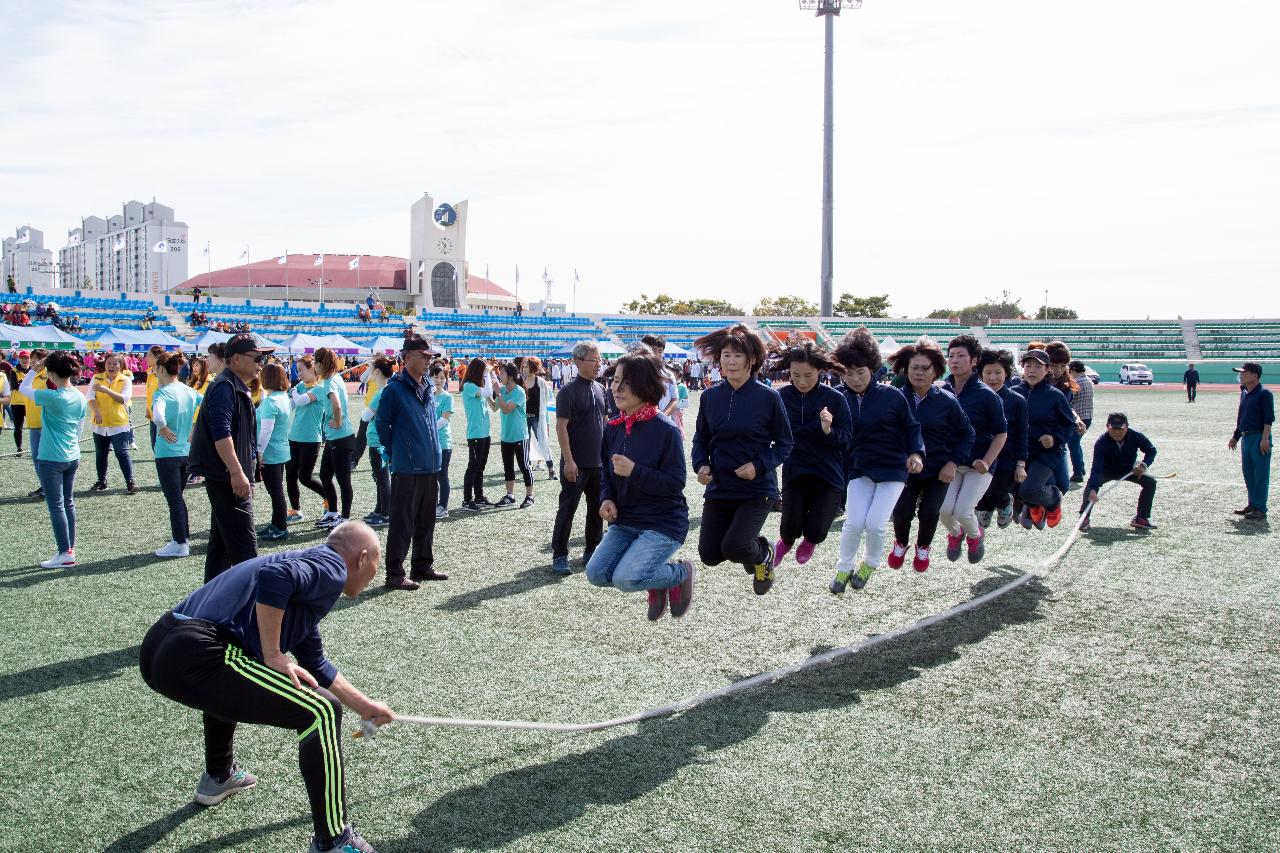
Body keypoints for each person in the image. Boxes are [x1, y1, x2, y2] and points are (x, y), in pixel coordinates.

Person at [139, 522, 389, 853]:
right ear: (361, 557)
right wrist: (273, 653)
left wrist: (366, 706)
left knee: (238, 669)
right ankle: (334, 840)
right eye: (377, 562)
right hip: (197, 650)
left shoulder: (307, 591)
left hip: (161, 646)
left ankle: (219, 775)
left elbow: (317, 665)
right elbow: (276, 578)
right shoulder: (330, 566)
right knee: (323, 710)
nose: (376, 570)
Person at [588, 349, 695, 620]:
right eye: (615, 380)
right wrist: (606, 499)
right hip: (626, 520)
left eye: (626, 381)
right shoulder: (613, 428)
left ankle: (680, 573)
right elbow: (606, 476)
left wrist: (635, 471)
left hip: (663, 523)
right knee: (596, 574)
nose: (617, 387)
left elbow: (674, 483)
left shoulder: (666, 430)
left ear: (645, 385)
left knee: (626, 579)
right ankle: (655, 581)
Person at [690, 324, 794, 595]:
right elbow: (700, 439)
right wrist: (700, 464)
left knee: (735, 547)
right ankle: (755, 546)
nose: (731, 361)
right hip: (720, 487)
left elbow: (785, 443)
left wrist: (759, 466)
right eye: (726, 355)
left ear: (752, 359)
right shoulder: (710, 397)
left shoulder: (769, 397)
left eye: (738, 355)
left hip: (756, 488)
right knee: (710, 554)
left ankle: (762, 555)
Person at [829, 328, 924, 594]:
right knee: (853, 522)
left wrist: (916, 454)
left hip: (893, 470)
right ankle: (843, 568)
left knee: (874, 523)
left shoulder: (892, 396)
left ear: (873, 368)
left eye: (861, 372)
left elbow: (912, 427)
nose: (855, 379)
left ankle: (870, 563)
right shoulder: (837, 398)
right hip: (859, 469)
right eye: (848, 373)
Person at [887, 339, 974, 573]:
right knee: (902, 511)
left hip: (938, 469)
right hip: (903, 469)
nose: (919, 373)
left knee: (929, 512)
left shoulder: (947, 400)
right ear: (906, 369)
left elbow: (967, 434)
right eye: (914, 367)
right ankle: (901, 544)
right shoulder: (894, 397)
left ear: (936, 370)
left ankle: (923, 547)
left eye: (925, 368)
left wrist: (953, 463)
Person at [190, 333, 271, 582]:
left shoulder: (233, 386)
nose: (262, 362)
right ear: (235, 359)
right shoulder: (225, 387)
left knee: (221, 546)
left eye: (264, 357)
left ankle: (209, 606)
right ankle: (250, 613)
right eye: (257, 357)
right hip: (227, 479)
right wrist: (237, 473)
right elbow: (221, 434)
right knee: (245, 550)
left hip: (228, 477)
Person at [375, 335, 446, 590]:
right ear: (407, 358)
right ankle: (394, 573)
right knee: (402, 522)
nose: (429, 361)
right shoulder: (394, 389)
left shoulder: (426, 383)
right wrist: (396, 452)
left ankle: (422, 565)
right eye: (423, 356)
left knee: (426, 519)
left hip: (430, 464)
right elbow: (382, 424)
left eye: (430, 357)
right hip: (407, 466)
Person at [774, 341, 851, 568]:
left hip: (828, 475)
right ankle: (785, 543)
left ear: (820, 370)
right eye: (796, 375)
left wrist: (828, 431)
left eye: (808, 375)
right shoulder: (781, 397)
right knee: (789, 528)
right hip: (796, 472)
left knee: (816, 530)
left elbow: (846, 439)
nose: (802, 381)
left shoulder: (835, 399)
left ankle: (810, 542)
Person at [939, 335, 1008, 562]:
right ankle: (956, 534)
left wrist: (987, 461)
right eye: (951, 356)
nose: (954, 361)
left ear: (974, 360)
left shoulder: (987, 395)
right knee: (944, 510)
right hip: (951, 464)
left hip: (979, 466)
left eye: (961, 356)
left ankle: (976, 536)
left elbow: (1001, 433)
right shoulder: (942, 391)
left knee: (962, 511)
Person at [21, 351, 88, 568]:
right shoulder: (79, 395)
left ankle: (64, 551)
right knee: (67, 502)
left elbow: (23, 389)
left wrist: (34, 368)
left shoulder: (52, 396)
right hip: (72, 455)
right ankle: (69, 547)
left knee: (56, 505)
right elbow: (80, 426)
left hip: (52, 457)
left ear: (50, 373)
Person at [551, 342, 609, 575]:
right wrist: (569, 460)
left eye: (599, 360)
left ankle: (592, 551)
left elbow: (605, 423)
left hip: (598, 463)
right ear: (578, 362)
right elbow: (561, 427)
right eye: (593, 360)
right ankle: (560, 554)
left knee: (596, 510)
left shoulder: (600, 388)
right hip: (576, 464)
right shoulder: (567, 392)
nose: (598, 364)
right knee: (567, 510)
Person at [1013, 349, 1077, 530]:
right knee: (1013, 488)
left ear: (1047, 369)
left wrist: (1054, 438)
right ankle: (1032, 505)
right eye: (1028, 365)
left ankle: (1053, 499)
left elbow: (1069, 425)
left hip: (1044, 453)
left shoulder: (1054, 395)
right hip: (1018, 452)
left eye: (1038, 366)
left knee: (1029, 489)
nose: (1032, 370)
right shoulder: (1013, 392)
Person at [151, 352, 200, 558]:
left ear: (161, 369)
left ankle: (180, 543)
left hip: (167, 453)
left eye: (155, 368)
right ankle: (182, 538)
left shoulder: (161, 393)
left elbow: (158, 415)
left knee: (174, 500)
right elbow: (207, 405)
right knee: (178, 498)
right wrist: (195, 428)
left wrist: (161, 426)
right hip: (185, 453)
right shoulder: (189, 391)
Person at [974, 349, 1028, 529]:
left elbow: (1022, 433)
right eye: (987, 373)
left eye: (998, 372)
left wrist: (1021, 463)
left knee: (995, 494)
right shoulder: (975, 398)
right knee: (979, 499)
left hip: (1006, 459)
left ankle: (1005, 502)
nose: (992, 378)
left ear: (1006, 373)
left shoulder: (1017, 400)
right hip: (979, 457)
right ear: (980, 374)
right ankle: (985, 508)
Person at [1079, 413, 1158, 531]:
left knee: (1150, 483)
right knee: (1091, 486)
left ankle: (1141, 518)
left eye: (1120, 429)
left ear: (1126, 427)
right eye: (1113, 428)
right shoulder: (1101, 442)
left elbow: (1151, 450)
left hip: (1129, 470)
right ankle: (1084, 517)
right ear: (1107, 427)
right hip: (1107, 471)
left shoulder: (1135, 436)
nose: (1116, 432)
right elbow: (1096, 468)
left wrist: (1143, 465)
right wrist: (1094, 489)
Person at [310, 348, 357, 530]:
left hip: (341, 437)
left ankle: (344, 518)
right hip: (335, 438)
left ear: (321, 364)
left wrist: (337, 422)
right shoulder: (334, 378)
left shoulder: (330, 382)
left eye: (316, 362)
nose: (314, 366)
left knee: (343, 479)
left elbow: (336, 406)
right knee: (325, 475)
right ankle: (333, 512)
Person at [1229, 361, 1273, 521]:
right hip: (1246, 437)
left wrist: (1265, 438)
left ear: (1255, 375)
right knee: (1249, 473)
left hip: (1259, 437)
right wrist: (1236, 436)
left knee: (1260, 474)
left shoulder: (1264, 393)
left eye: (1244, 372)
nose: (1241, 375)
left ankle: (1260, 508)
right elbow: (1242, 417)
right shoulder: (1244, 393)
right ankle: (1252, 504)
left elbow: (1269, 418)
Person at [87, 354, 137, 494]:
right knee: (101, 454)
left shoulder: (125, 379)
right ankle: (102, 481)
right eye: (109, 363)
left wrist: (105, 390)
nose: (111, 366)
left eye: (115, 364)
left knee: (122, 453)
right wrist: (96, 411)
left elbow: (124, 399)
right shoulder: (96, 378)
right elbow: (90, 397)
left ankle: (130, 482)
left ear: (120, 366)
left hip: (119, 423)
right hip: (100, 424)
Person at [256, 363, 295, 543]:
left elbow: (266, 430)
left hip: (271, 451)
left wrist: (259, 452)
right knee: (276, 490)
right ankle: (275, 523)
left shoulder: (272, 401)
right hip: (280, 449)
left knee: (276, 492)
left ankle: (280, 527)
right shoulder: (282, 397)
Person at [287, 355, 328, 525]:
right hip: (293, 437)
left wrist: (294, 392)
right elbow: (291, 406)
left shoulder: (320, 388)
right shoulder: (300, 387)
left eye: (302, 370)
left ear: (313, 369)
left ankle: (329, 499)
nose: (299, 373)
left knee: (305, 477)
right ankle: (295, 510)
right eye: (298, 370)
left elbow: (301, 401)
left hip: (311, 439)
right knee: (290, 476)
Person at [459, 358, 498, 511]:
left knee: (480, 467)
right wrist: (488, 375)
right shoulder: (469, 386)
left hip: (484, 433)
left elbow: (494, 405)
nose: (485, 373)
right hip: (475, 434)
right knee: (473, 467)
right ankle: (467, 500)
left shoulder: (478, 387)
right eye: (483, 371)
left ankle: (479, 497)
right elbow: (488, 391)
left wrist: (499, 390)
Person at [359, 358, 394, 528]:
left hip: (378, 440)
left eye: (371, 369)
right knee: (380, 476)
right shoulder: (386, 390)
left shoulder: (382, 392)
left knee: (382, 476)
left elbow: (366, 416)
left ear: (377, 372)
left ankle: (385, 512)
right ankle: (380, 508)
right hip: (379, 439)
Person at [496, 363, 534, 508]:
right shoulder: (502, 390)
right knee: (508, 467)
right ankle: (510, 495)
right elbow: (495, 407)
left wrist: (498, 393)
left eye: (502, 373)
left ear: (510, 376)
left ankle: (530, 496)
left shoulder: (519, 391)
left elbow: (506, 409)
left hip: (519, 435)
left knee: (524, 466)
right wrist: (487, 394)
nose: (500, 376)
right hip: (506, 435)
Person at [14, 349, 47, 498]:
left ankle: (49, 488)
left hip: (47, 423)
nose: (34, 361)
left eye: (38, 359)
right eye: (33, 358)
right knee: (36, 457)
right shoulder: (29, 375)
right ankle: (45, 486)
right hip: (33, 423)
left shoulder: (50, 376)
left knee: (46, 458)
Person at [522, 356, 555, 480]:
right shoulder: (521, 381)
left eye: (527, 367)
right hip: (523, 418)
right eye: (524, 367)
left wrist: (542, 415)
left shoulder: (540, 381)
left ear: (533, 367)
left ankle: (551, 469)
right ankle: (527, 469)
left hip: (537, 417)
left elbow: (546, 398)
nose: (525, 369)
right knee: (525, 444)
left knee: (543, 443)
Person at [428, 363, 454, 519]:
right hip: (429, 443)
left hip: (443, 442)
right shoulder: (428, 395)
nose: (438, 380)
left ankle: (443, 506)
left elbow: (444, 419)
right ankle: (433, 504)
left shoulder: (447, 396)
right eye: (435, 377)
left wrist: (428, 430)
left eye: (442, 377)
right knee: (431, 476)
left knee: (442, 475)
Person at [1067, 360, 1095, 484]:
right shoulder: (1089, 380)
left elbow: (1069, 400)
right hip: (1088, 416)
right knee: (1076, 444)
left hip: (1078, 418)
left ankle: (1078, 472)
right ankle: (1081, 469)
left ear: (1072, 370)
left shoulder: (1076, 382)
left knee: (1073, 445)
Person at [144, 345, 166, 449]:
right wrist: (148, 409)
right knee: (155, 447)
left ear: (157, 357)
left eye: (149, 355)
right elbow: (150, 393)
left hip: (163, 416)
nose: (146, 357)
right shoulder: (150, 372)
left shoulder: (162, 373)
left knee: (162, 448)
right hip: (153, 416)